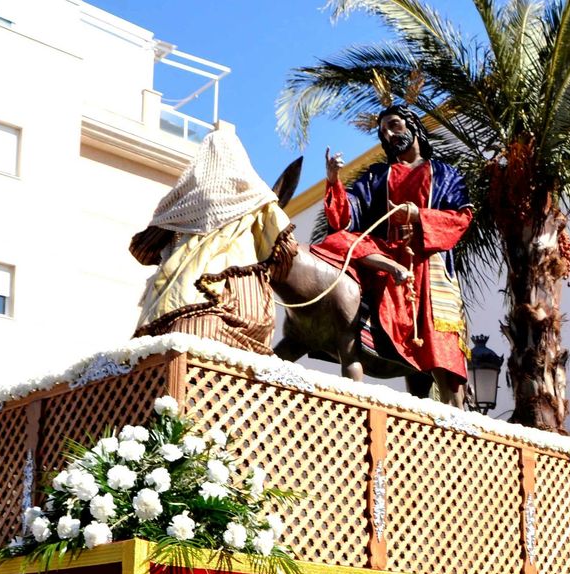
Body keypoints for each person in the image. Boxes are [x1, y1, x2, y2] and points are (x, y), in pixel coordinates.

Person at [314, 104, 473, 405]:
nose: (388, 134)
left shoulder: (444, 173)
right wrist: (334, 180)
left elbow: (461, 218)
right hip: (387, 259)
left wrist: (418, 215)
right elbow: (346, 219)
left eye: (395, 125)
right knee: (336, 240)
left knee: (441, 352)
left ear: (413, 126)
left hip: (428, 267)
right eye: (384, 130)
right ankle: (385, 267)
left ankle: (455, 416)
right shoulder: (378, 176)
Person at [130, 122, 291, 352]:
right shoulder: (257, 195)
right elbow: (285, 247)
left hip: (181, 301)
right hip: (243, 302)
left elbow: (142, 250)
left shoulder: (181, 200)